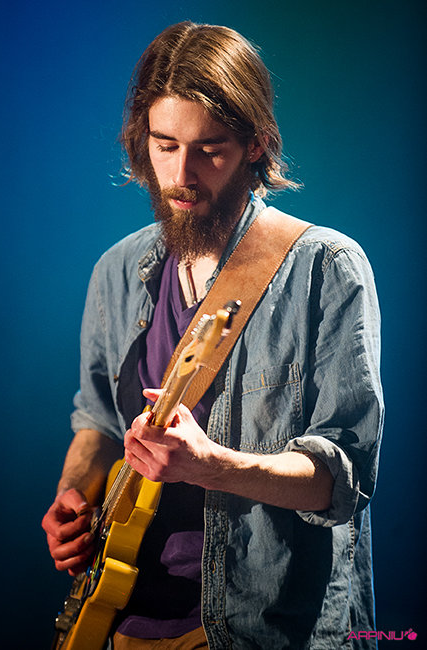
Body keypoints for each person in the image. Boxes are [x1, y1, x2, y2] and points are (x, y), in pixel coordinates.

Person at [42, 21, 384, 650]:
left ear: (256, 145)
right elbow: (96, 420)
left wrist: (211, 466)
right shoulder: (117, 271)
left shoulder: (326, 268)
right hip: (121, 618)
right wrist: (74, 493)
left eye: (209, 149)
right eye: (164, 145)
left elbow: (342, 480)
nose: (181, 174)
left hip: (258, 628)